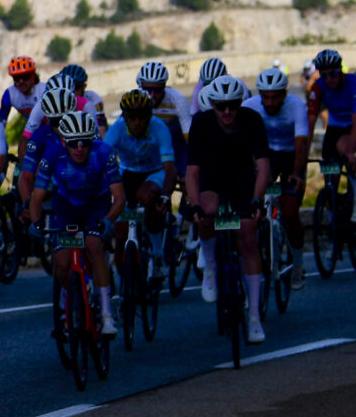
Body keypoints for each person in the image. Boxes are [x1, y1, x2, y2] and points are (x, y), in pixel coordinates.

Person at [184, 76, 272, 341]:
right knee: (206, 211)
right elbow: (192, 172)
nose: (227, 112)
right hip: (212, 179)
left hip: (242, 180)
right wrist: (195, 204)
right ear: (211, 104)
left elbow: (263, 167)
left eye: (233, 105)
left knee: (248, 238)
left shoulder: (252, 120)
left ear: (240, 103)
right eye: (220, 106)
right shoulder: (201, 123)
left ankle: (254, 316)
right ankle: (210, 266)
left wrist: (257, 200)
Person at [26, 109, 124, 337]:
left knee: (94, 246)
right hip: (66, 207)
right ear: (63, 141)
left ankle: (106, 314)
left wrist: (108, 220)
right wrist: (36, 223)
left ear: (92, 140)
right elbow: (37, 198)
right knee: (61, 262)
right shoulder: (52, 155)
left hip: (96, 205)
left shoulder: (104, 152)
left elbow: (119, 197)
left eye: (84, 142)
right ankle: (69, 298)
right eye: (72, 143)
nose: (79, 148)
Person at [247, 66, 309, 267]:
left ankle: (298, 263)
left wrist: (297, 174)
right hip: (267, 157)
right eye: (265, 97)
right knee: (254, 207)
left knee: (290, 213)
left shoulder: (297, 105)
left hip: (292, 156)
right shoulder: (250, 106)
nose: (270, 103)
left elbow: (302, 143)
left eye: (275, 97)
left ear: (285, 94)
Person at [108, 90, 175, 262]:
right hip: (128, 172)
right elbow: (102, 163)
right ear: (124, 116)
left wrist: (166, 195)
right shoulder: (116, 130)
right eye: (132, 117)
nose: (137, 122)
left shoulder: (159, 128)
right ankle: (120, 269)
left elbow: (169, 168)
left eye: (142, 117)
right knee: (120, 229)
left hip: (155, 171)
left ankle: (158, 252)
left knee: (145, 196)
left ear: (150, 115)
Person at [305, 49, 356, 220]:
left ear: (341, 70)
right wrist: (303, 153)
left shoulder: (354, 84)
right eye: (324, 75)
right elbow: (310, 123)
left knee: (345, 149)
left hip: (355, 124)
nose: (329, 80)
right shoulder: (319, 86)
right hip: (335, 126)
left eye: (332, 74)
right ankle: (332, 214)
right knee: (330, 171)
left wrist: (351, 152)